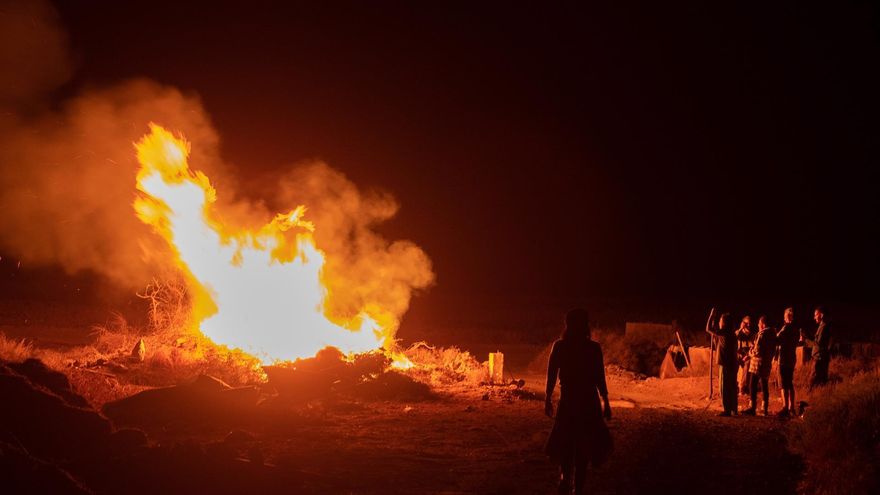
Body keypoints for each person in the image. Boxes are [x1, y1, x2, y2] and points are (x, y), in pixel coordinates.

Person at [545, 308, 612, 495]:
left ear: (567, 325)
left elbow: (551, 375)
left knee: (568, 442)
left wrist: (547, 398)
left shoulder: (560, 346)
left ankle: (566, 479)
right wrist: (605, 401)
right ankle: (577, 487)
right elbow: (600, 377)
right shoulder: (593, 348)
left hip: (569, 401)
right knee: (582, 445)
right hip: (588, 402)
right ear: (586, 326)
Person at [706, 308, 739, 416]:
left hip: (726, 364)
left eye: (720, 320)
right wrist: (715, 320)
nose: (720, 322)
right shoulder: (732, 333)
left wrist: (711, 316)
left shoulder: (724, 332)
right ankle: (734, 409)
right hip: (733, 363)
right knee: (732, 386)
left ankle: (727, 410)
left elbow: (708, 328)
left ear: (724, 322)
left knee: (724, 386)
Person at [743, 316, 776, 415]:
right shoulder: (773, 334)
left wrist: (749, 354)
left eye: (759, 323)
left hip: (757, 364)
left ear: (763, 324)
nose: (758, 325)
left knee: (752, 385)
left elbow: (757, 350)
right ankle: (764, 408)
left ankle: (752, 407)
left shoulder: (762, 334)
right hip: (766, 363)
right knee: (764, 385)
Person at [775, 307, 800, 417]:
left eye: (785, 316)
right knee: (789, 383)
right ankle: (791, 408)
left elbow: (777, 340)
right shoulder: (795, 329)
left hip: (784, 359)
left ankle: (785, 407)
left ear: (786, 317)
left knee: (783, 384)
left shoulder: (785, 329)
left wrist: (777, 333)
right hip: (791, 359)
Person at [805, 306, 833, 390]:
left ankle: (809, 398)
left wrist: (806, 339)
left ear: (821, 315)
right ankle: (821, 397)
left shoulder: (824, 327)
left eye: (816, 315)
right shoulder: (823, 326)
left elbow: (818, 343)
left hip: (819, 358)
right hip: (822, 357)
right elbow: (817, 341)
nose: (814, 317)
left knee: (812, 381)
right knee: (821, 381)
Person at [735, 315, 754, 395]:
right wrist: (740, 328)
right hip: (737, 354)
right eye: (747, 324)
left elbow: (752, 347)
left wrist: (747, 355)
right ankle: (734, 386)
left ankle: (742, 387)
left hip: (747, 355)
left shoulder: (751, 334)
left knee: (747, 365)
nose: (748, 325)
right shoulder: (739, 333)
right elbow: (733, 337)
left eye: (749, 324)